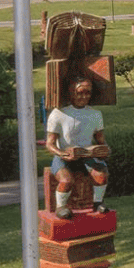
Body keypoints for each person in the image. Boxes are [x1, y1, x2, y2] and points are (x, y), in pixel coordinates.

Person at [45, 77, 110, 218]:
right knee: (65, 180)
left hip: (86, 156)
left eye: (88, 93)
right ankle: (61, 206)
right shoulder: (58, 114)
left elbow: (101, 140)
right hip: (65, 157)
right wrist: (63, 154)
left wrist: (103, 151)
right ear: (71, 93)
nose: (84, 97)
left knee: (101, 175)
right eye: (80, 93)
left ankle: (98, 202)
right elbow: (50, 144)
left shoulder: (95, 114)